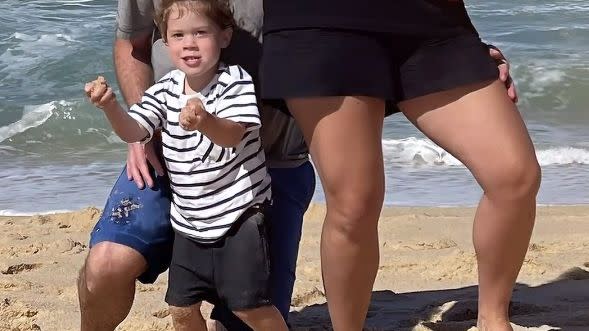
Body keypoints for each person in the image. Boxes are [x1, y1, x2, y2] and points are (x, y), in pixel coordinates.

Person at [77, 0, 517, 330]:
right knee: (107, 267)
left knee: (249, 314)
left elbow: (374, 30)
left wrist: (465, 60)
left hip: (268, 171)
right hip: (169, 156)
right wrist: (141, 125)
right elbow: (132, 43)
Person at [260, 1, 540, 331]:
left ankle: (493, 319)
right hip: (321, 22)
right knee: (355, 203)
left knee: (514, 175)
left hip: (432, 21)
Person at [77, 0, 315, 330]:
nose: (189, 43)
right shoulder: (166, 90)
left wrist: (205, 122)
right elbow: (133, 54)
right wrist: (112, 108)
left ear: (224, 37)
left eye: (200, 33)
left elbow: (233, 134)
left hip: (248, 194)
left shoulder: (235, 81)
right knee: (168, 300)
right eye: (177, 35)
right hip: (185, 199)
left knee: (249, 308)